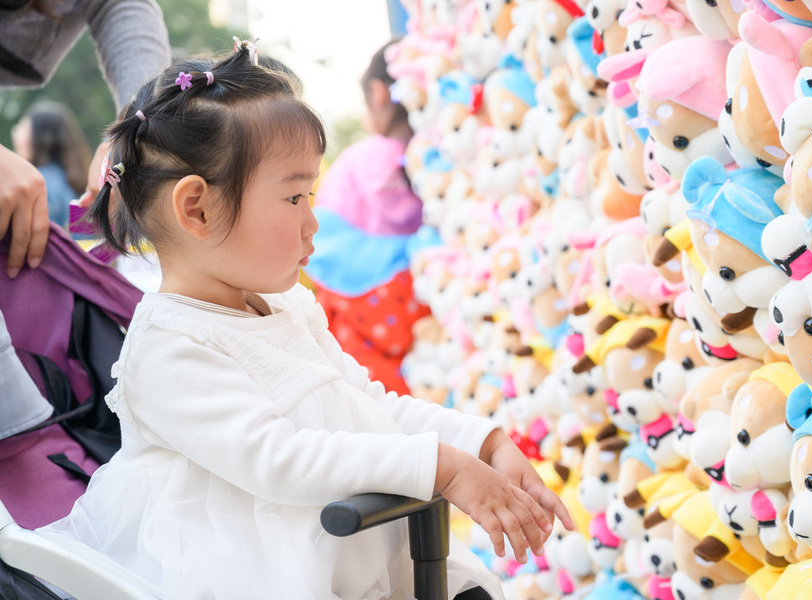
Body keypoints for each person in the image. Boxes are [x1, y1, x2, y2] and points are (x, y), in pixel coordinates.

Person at [36, 42, 573, 600]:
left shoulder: (289, 307)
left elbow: (367, 403)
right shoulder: (169, 346)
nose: (313, 222)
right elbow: (279, 459)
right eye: (294, 197)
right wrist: (442, 467)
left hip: (348, 548)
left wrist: (482, 444)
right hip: (256, 577)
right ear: (197, 208)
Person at [0, 0, 170, 279]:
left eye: (24, 126)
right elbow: (89, 262)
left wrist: (135, 130)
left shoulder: (44, 185)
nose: (16, 132)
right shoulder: (76, 187)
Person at [304, 40, 428, 395]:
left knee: (368, 385)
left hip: (352, 298)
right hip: (414, 289)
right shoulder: (430, 153)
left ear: (378, 93)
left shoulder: (367, 154)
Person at [11, 101, 92, 229]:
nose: (15, 134)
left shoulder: (39, 184)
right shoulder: (72, 183)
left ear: (41, 138)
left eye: (22, 126)